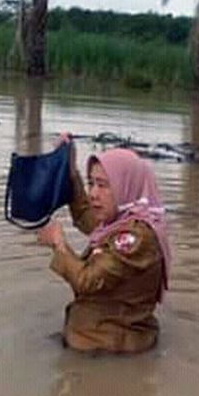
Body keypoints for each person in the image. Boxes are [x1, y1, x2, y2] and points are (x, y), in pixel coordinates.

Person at [36, 136, 171, 354]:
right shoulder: (117, 221)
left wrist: (59, 244)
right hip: (96, 340)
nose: (93, 194)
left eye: (103, 185)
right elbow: (84, 214)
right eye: (91, 183)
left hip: (108, 348)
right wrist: (70, 170)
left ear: (125, 186)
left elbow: (87, 280)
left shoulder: (135, 236)